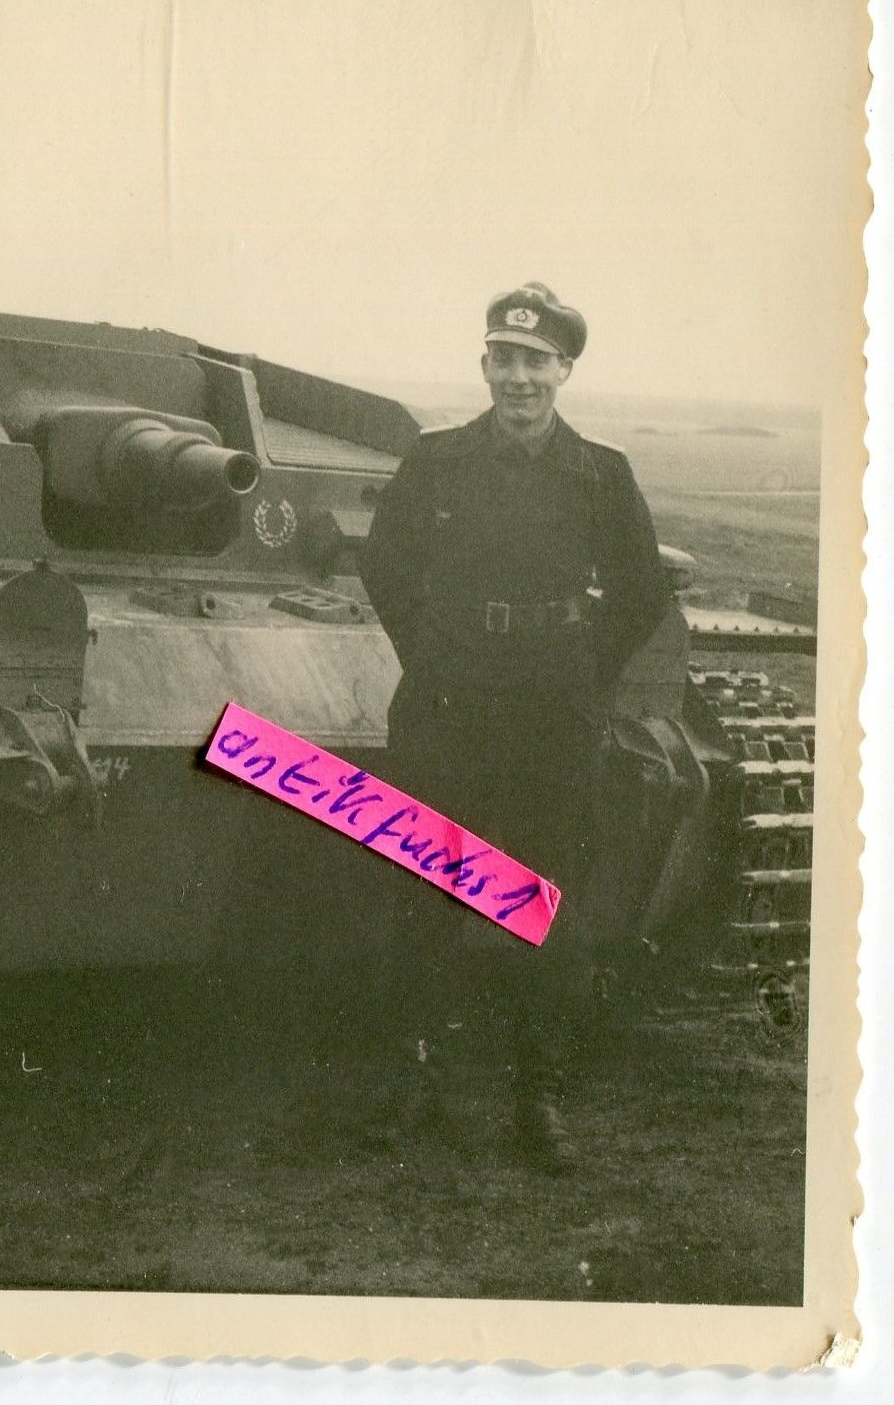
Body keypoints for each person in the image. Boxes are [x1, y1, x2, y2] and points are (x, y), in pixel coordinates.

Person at [359, 280, 668, 1171]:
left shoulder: (599, 472)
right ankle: (412, 1080)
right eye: (503, 358)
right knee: (422, 886)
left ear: (564, 369)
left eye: (536, 361)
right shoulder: (437, 459)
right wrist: (433, 653)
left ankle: (540, 1095)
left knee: (540, 900)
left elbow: (641, 590)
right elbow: (384, 564)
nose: (517, 376)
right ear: (484, 364)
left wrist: (580, 672)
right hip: (447, 702)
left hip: (549, 710)